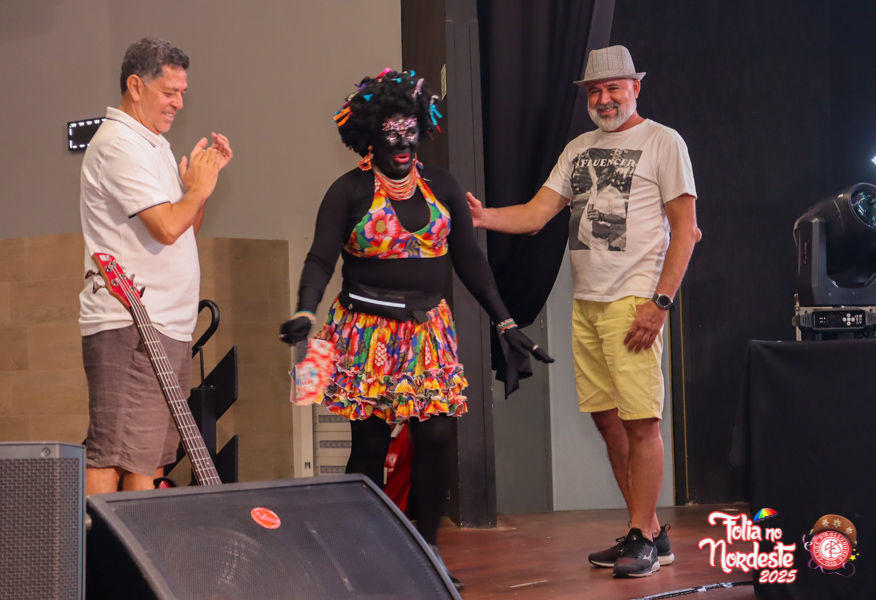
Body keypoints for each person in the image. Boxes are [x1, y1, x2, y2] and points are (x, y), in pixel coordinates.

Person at [280, 69, 552, 590]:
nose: (403, 143)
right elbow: (320, 258)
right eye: (391, 133)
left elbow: (470, 261)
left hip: (428, 331)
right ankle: (361, 549)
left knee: (436, 435)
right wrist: (306, 311)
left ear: (422, 128)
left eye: (410, 131)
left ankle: (427, 548)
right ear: (370, 136)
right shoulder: (348, 190)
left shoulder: (442, 185)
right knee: (369, 443)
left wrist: (505, 320)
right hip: (366, 333)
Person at [467, 45, 701, 578]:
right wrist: (482, 217)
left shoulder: (663, 141)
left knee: (641, 422)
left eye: (613, 87)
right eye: (594, 91)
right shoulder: (578, 149)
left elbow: (687, 230)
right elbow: (535, 215)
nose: (603, 98)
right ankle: (649, 532)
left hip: (635, 301)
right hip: (588, 303)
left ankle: (642, 537)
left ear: (635, 87)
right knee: (608, 421)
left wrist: (660, 304)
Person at [79, 37, 233, 496]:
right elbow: (166, 227)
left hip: (169, 324)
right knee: (114, 454)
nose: (178, 103)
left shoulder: (156, 145)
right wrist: (197, 190)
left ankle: (140, 544)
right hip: (130, 324)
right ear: (135, 86)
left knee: (148, 458)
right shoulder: (119, 145)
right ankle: (100, 545)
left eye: (182, 92)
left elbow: (183, 231)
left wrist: (197, 191)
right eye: (170, 92)